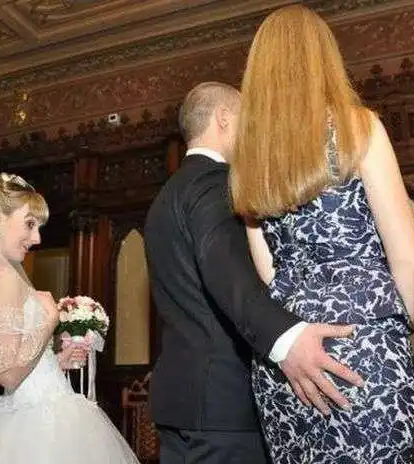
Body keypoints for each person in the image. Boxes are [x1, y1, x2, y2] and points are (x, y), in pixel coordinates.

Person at [230, 5, 414, 463]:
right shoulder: (359, 127)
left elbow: (269, 273)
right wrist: (389, 335)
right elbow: (410, 262)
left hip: (289, 357)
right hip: (366, 342)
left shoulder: (250, 157)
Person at [144, 81, 365, 463]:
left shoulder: (166, 196)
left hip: (178, 400)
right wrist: (287, 338)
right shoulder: (213, 183)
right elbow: (225, 272)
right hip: (222, 403)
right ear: (223, 118)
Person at [0, 173, 139, 463]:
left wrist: (53, 362)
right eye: (30, 224)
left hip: (22, 411)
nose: (37, 238)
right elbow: (8, 376)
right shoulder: (4, 277)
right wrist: (49, 321)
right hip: (40, 418)